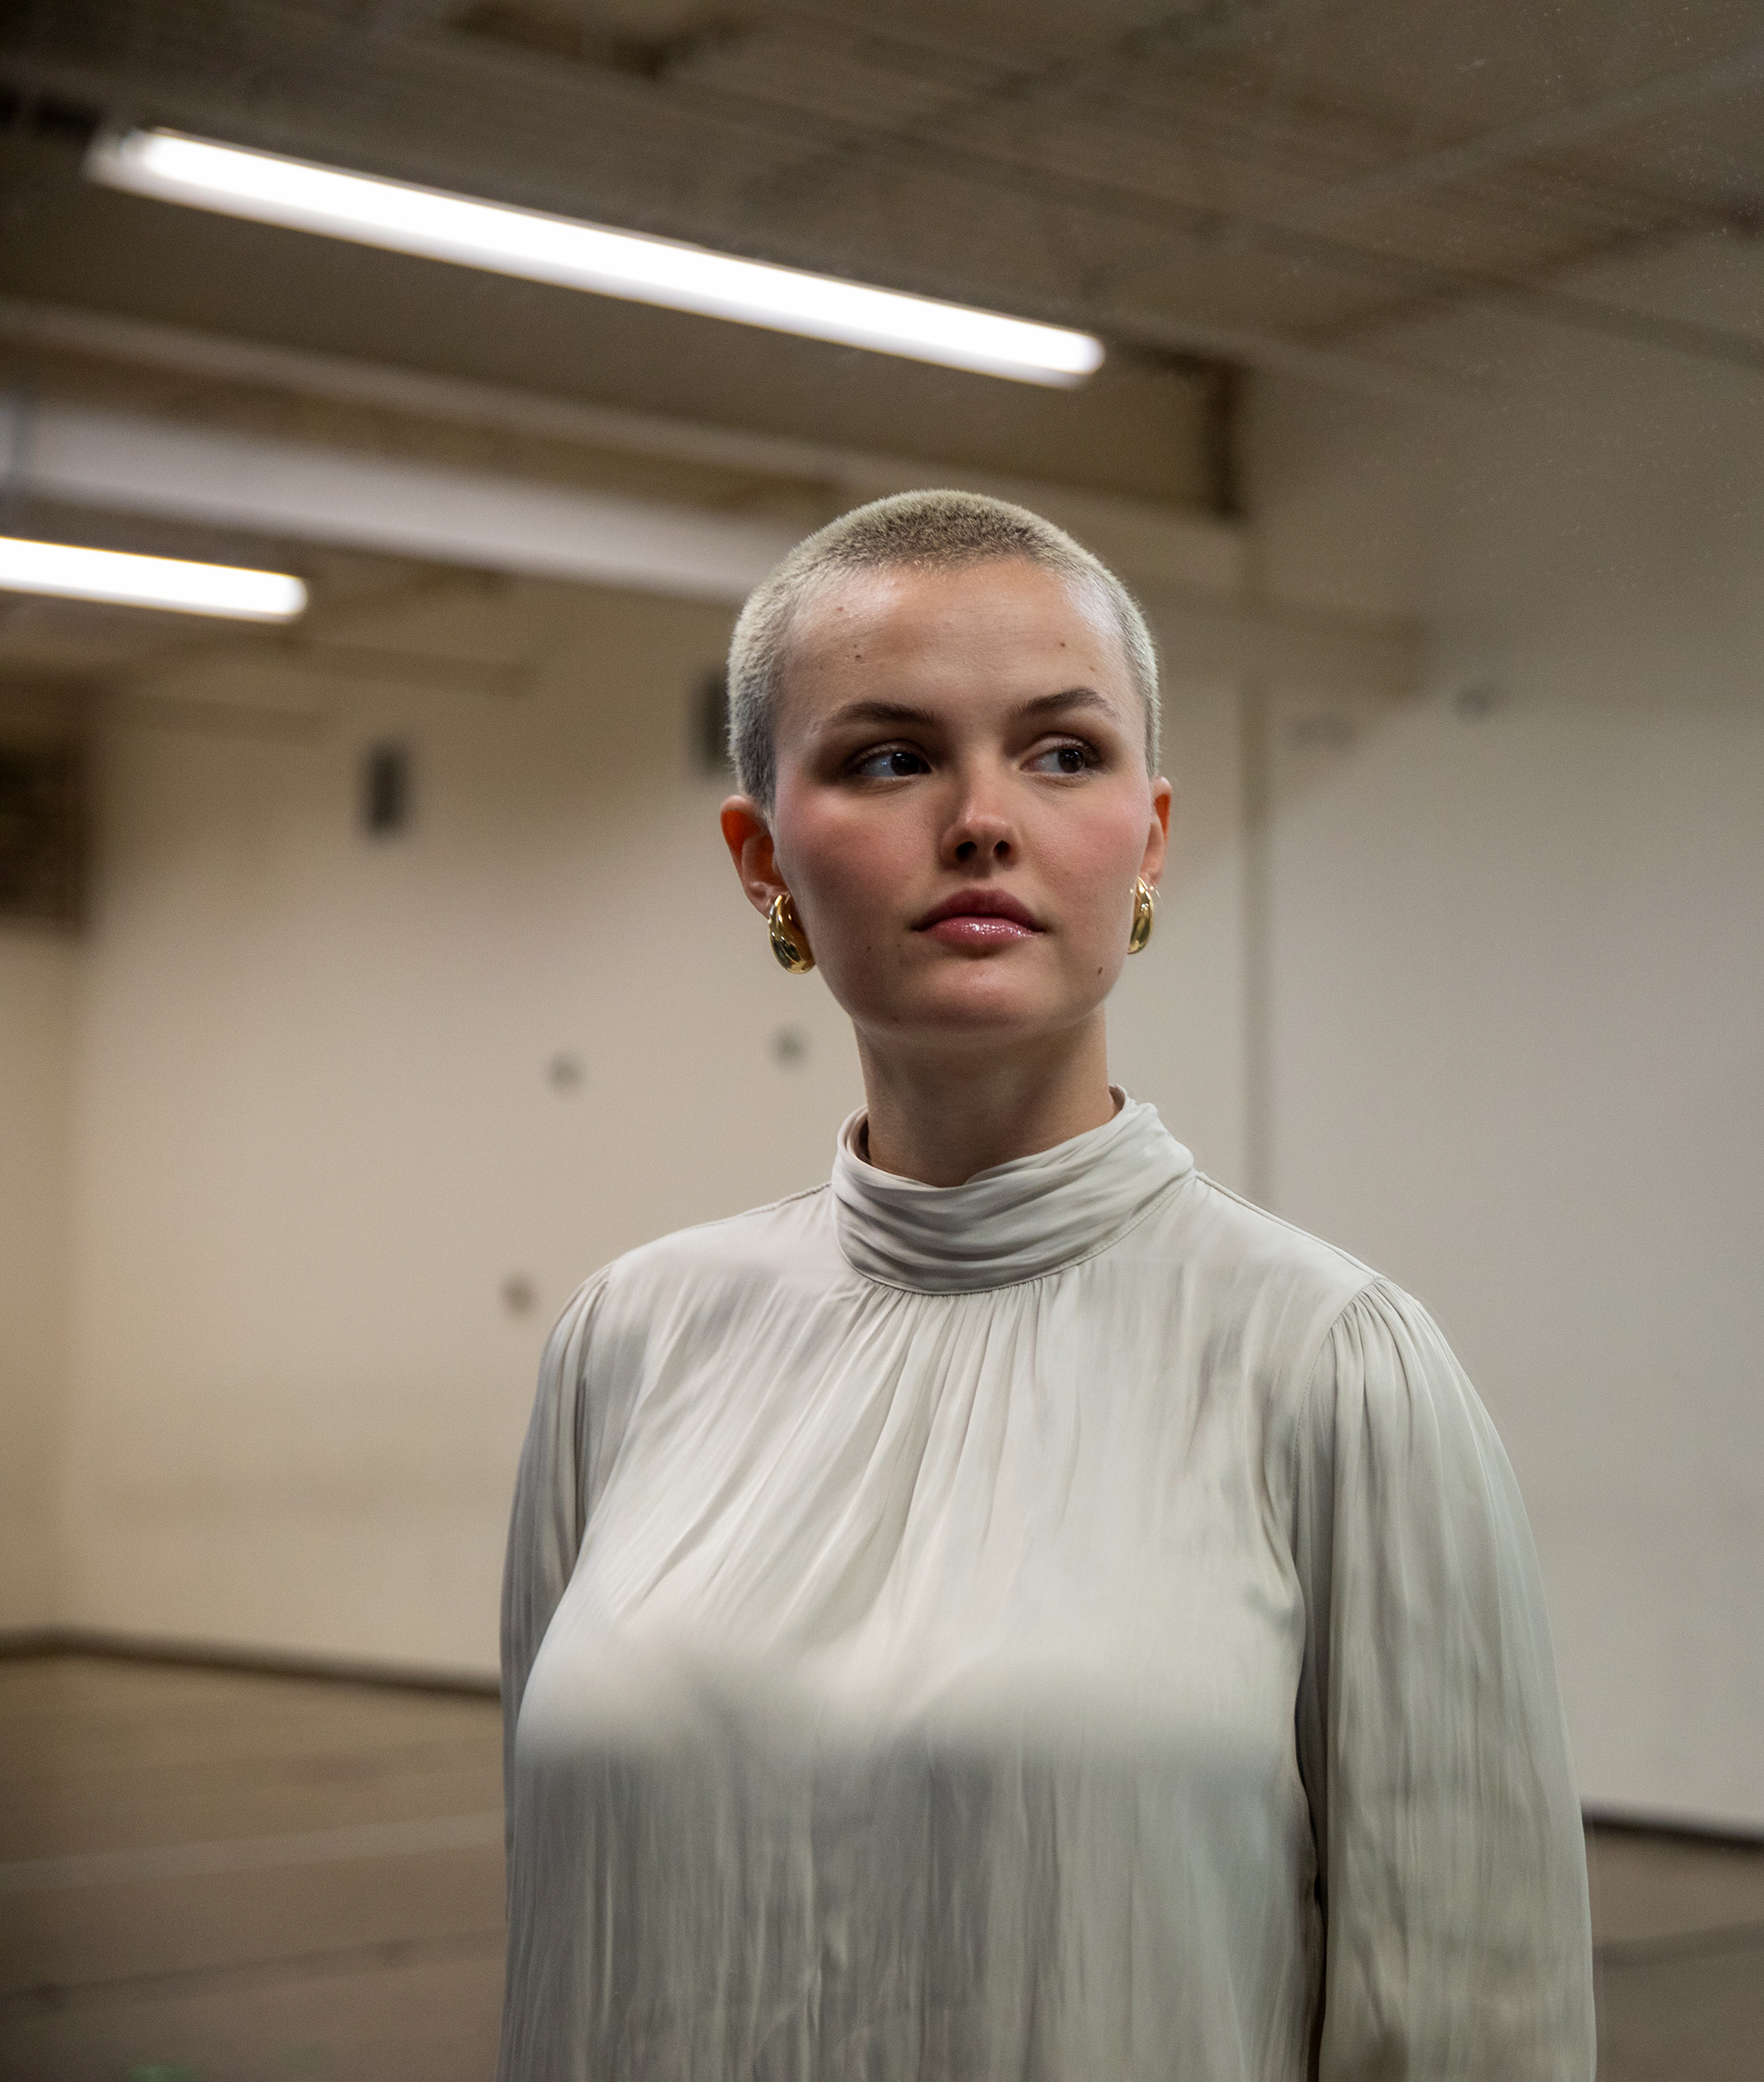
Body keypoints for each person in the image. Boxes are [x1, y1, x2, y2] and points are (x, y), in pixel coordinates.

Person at [499, 491, 1593, 2080]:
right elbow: (560, 1933)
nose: (982, 819)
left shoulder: (1334, 1363)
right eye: (890, 755)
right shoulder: (629, 1344)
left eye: (1061, 751)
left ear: (1148, 833)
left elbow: (1471, 2032)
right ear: (762, 860)